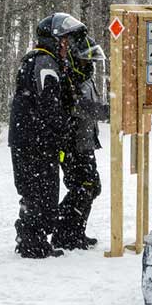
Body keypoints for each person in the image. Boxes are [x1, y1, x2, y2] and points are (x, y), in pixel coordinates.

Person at [8, 12, 104, 257]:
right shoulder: (42, 62)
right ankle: (31, 242)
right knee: (38, 192)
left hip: (41, 141)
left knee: (45, 193)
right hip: (32, 141)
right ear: (54, 39)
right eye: (64, 41)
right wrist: (63, 127)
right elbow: (49, 105)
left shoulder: (50, 63)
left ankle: (41, 238)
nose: (66, 47)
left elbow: (58, 106)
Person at [55, 33, 107, 250]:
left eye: (92, 61)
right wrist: (108, 112)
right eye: (87, 60)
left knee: (91, 186)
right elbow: (80, 107)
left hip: (85, 142)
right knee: (82, 187)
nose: (90, 65)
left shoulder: (86, 78)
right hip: (71, 144)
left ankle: (75, 231)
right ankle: (64, 232)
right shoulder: (68, 78)